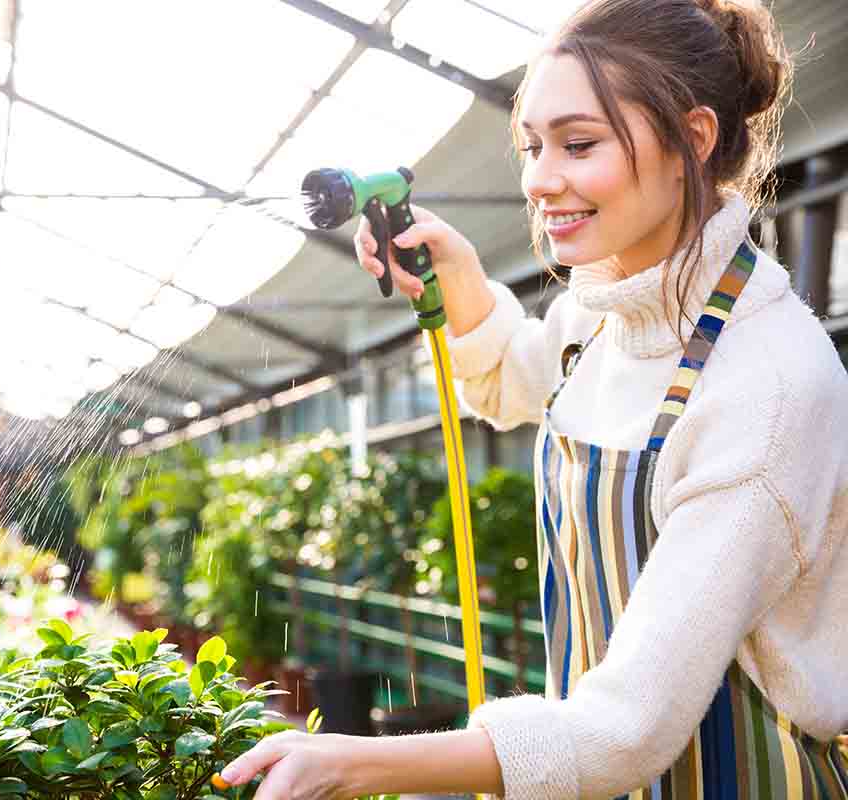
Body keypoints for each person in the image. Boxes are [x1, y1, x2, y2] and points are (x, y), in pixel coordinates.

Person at [215, 0, 848, 797]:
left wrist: (352, 759)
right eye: (532, 146)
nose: (540, 180)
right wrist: (458, 275)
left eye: (578, 144)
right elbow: (512, 383)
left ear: (694, 136)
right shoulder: (603, 307)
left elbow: (625, 729)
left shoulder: (769, 384)